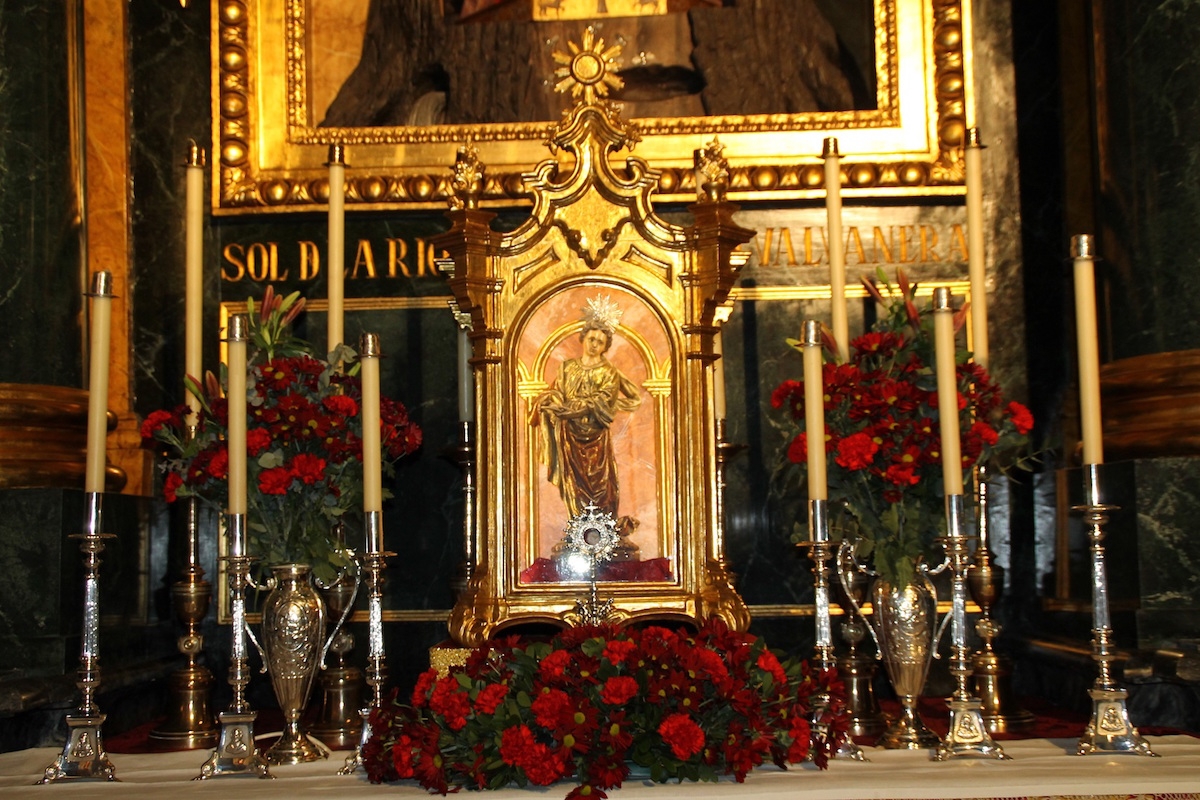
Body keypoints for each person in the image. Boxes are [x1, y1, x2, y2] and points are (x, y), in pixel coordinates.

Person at [531, 303, 642, 535]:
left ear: (605, 347)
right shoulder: (567, 368)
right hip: (569, 437)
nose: (594, 345)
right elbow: (557, 393)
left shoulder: (608, 372)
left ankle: (604, 532)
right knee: (574, 484)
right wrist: (549, 401)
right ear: (583, 339)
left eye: (600, 342)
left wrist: (574, 410)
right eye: (591, 339)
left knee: (601, 485)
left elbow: (605, 400)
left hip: (596, 439)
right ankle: (579, 530)